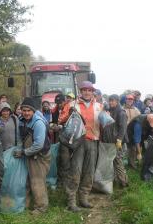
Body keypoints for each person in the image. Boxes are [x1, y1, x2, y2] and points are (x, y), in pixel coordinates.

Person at [59, 81, 102, 212]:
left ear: (93, 92)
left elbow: (105, 123)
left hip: (93, 141)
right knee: (75, 171)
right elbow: (61, 120)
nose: (87, 92)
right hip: (77, 143)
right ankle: (71, 201)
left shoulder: (100, 106)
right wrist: (68, 114)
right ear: (80, 91)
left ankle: (83, 198)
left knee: (89, 172)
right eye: (84, 90)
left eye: (89, 90)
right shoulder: (72, 104)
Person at [15, 97, 51, 214]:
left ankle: (41, 207)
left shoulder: (38, 123)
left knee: (37, 181)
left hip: (39, 156)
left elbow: (38, 145)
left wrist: (24, 152)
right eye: (23, 110)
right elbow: (20, 138)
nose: (25, 113)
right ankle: (27, 202)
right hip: (29, 154)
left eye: (28, 111)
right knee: (27, 180)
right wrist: (19, 148)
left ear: (33, 111)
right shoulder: (21, 120)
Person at [102, 94, 128, 187]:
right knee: (114, 162)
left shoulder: (121, 113)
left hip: (119, 142)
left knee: (118, 161)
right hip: (111, 141)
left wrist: (119, 140)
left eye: (113, 101)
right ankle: (118, 180)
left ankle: (123, 183)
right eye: (110, 100)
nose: (111, 102)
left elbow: (123, 128)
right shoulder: (111, 111)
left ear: (117, 101)